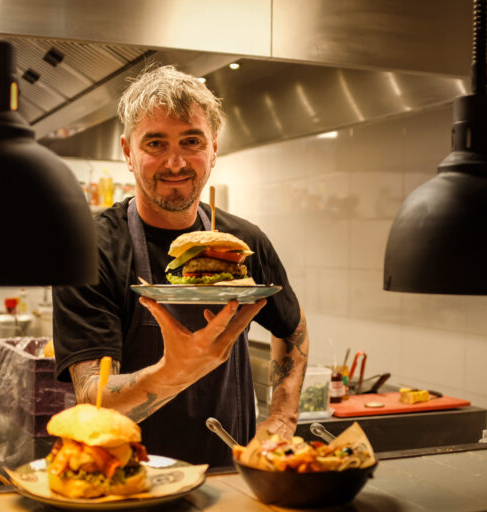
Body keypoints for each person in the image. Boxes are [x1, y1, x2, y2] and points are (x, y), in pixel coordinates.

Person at [52, 65, 309, 467]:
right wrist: (174, 371)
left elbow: (292, 327)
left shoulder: (244, 244)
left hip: (230, 475)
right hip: (128, 481)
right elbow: (92, 399)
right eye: (155, 144)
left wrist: (282, 418)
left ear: (214, 149)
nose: (176, 163)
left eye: (191, 141)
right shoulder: (90, 248)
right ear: (127, 152)